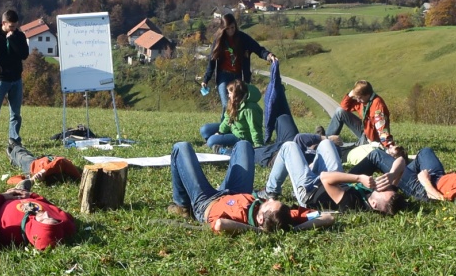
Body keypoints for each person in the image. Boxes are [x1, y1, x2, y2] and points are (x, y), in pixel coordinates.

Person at [166, 139, 333, 234]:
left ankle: (183, 206)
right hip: (237, 192)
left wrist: (259, 231)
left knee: (182, 148)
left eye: (267, 204)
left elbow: (220, 225)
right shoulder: (285, 215)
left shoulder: (243, 223)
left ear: (260, 219)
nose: (269, 198)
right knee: (244, 145)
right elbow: (328, 217)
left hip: (206, 203)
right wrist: (293, 229)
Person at [264, 135, 407, 215]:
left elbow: (326, 178)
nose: (383, 187)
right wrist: (392, 174)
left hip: (309, 190)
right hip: (330, 181)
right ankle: (312, 165)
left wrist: (359, 178)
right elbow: (401, 161)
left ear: (374, 204)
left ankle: (270, 191)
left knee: (289, 147)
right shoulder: (388, 197)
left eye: (382, 191)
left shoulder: (353, 203)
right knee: (326, 143)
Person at [201, 11, 275, 108]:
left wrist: (268, 55)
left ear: (235, 26)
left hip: (239, 76)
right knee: (226, 104)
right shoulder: (219, 41)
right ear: (223, 29)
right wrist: (206, 79)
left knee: (238, 105)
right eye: (228, 29)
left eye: (232, 27)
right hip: (223, 75)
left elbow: (258, 49)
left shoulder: (243, 38)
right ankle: (225, 123)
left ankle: (236, 123)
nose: (231, 31)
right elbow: (212, 61)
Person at [0, 9, 30, 150]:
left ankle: (14, 140)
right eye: (11, 26)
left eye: (15, 26)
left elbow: (24, 55)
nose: (13, 29)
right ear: (3, 23)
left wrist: (12, 40)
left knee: (15, 114)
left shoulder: (19, 36)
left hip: (16, 80)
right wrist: (13, 59)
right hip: (0, 80)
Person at [0, 186, 77, 250]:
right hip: (26, 196)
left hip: (2, 202)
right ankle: (22, 187)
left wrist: (1, 197)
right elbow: (49, 205)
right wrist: (31, 195)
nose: (47, 213)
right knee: (22, 187)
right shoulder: (64, 221)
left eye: (43, 219)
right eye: (53, 219)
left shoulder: (8, 232)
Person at [325, 81, 397, 151]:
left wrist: (389, 147)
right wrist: (350, 95)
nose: (358, 100)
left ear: (367, 94)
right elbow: (344, 107)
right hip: (365, 130)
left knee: (347, 150)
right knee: (339, 111)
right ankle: (325, 140)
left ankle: (338, 146)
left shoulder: (378, 105)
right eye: (356, 97)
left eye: (359, 98)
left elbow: (382, 129)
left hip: (372, 139)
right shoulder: (363, 101)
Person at [198, 78, 264, 150]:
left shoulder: (251, 108)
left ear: (236, 94)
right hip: (232, 129)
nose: (228, 95)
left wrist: (258, 145)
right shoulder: (233, 102)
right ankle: (218, 140)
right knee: (205, 129)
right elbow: (227, 120)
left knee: (211, 141)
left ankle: (218, 143)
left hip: (242, 137)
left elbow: (255, 128)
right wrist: (220, 132)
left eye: (230, 93)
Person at [5, 142, 83, 187]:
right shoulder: (75, 174)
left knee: (21, 157)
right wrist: (43, 172)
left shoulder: (38, 179)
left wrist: (30, 181)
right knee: (25, 156)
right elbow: (61, 161)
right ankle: (16, 148)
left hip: (32, 165)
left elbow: (10, 180)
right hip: (45, 159)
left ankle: (15, 149)